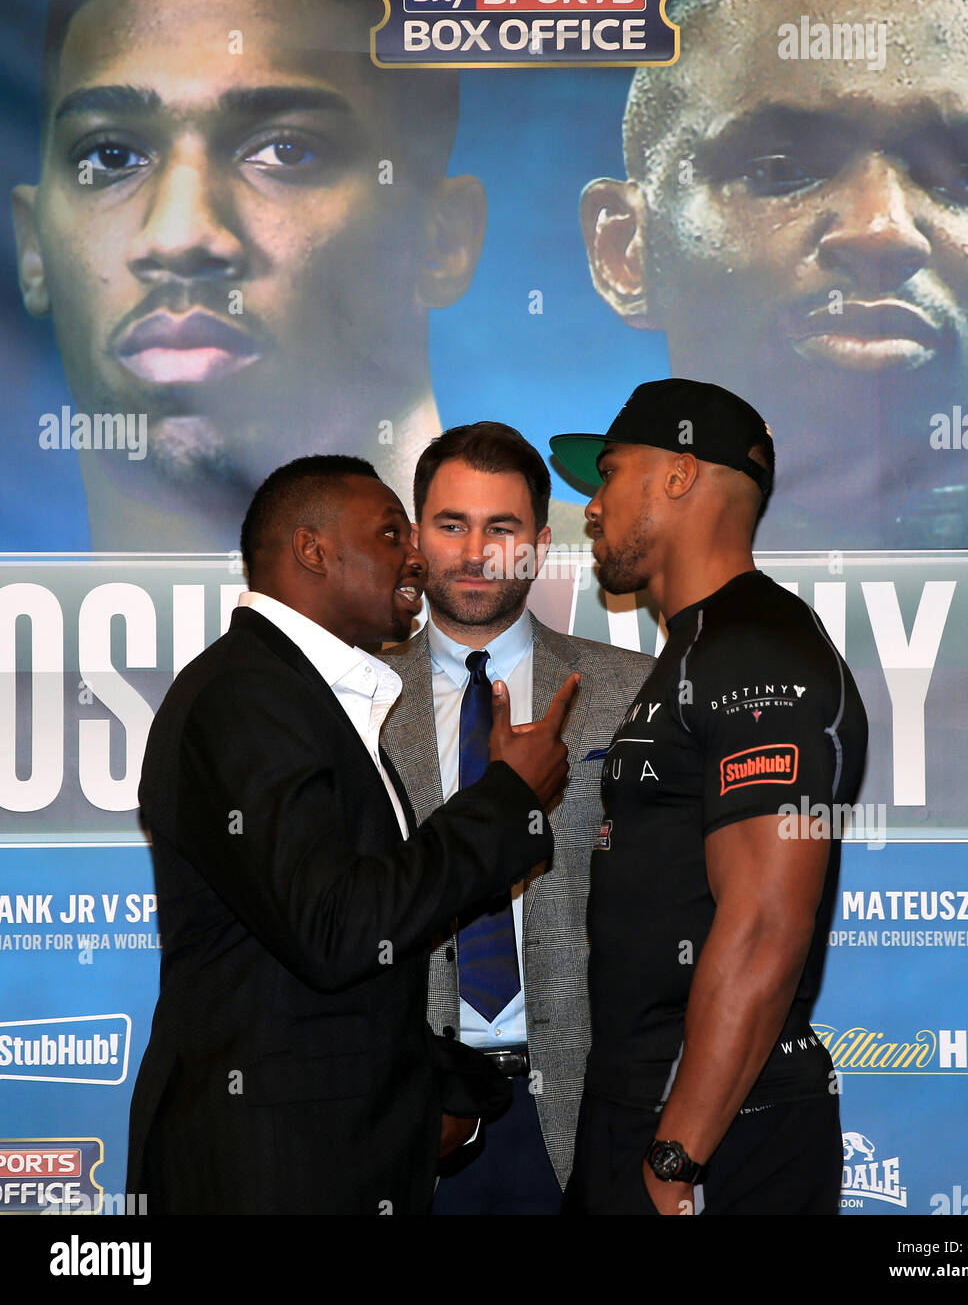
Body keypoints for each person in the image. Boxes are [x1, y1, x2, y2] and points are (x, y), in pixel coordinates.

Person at [127, 453, 579, 1214]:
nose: (415, 557)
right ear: (313, 550)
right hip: (264, 1172)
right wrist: (505, 800)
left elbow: (350, 949)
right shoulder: (246, 697)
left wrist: (442, 1089)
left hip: (329, 1159)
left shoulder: (302, 697)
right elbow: (336, 930)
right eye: (390, 534)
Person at [579, 0, 968, 549]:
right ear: (626, 252)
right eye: (780, 170)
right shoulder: (505, 620)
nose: (881, 230)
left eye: (966, 180)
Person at [11, 0, 485, 551]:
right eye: (112, 157)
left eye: (287, 151)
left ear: (441, 241)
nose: (179, 236)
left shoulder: (625, 614)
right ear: (32, 245)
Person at [550, 378, 868, 1214]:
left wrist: (673, 1159)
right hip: (654, 1106)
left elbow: (765, 925)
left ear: (680, 476)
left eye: (610, 473)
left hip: (714, 1131)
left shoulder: (757, 650)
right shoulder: (700, 649)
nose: (592, 506)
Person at [379, 422, 652, 1213]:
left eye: (502, 528)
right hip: (408, 1104)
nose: (475, 552)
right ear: (416, 535)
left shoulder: (627, 693)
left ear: (538, 542)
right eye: (451, 524)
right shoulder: (354, 700)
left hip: (580, 1100)